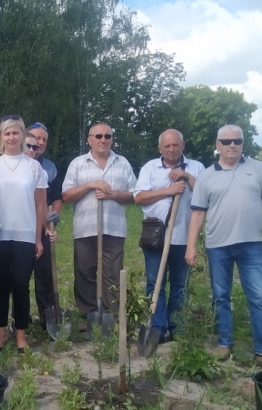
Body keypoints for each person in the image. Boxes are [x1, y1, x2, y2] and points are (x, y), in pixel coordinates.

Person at [185, 125, 262, 369]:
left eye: (237, 141)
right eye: (227, 141)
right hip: (218, 245)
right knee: (220, 296)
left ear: (242, 143)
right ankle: (224, 343)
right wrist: (190, 247)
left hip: (251, 245)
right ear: (217, 144)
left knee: (259, 297)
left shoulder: (257, 169)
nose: (232, 145)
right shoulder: (207, 176)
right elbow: (198, 214)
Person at [134, 129, 204, 346]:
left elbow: (205, 194)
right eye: (167, 146)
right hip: (155, 237)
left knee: (179, 285)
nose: (172, 149)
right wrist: (169, 190)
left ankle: (178, 328)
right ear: (160, 149)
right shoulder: (150, 168)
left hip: (184, 236)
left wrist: (186, 177)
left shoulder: (196, 167)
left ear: (183, 145)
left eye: (176, 145)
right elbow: (139, 197)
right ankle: (157, 327)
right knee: (155, 283)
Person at [61, 123, 136, 322]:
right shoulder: (78, 163)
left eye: (107, 136)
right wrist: (89, 185)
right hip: (85, 229)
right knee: (84, 271)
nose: (103, 140)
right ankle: (89, 314)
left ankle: (111, 316)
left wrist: (112, 194)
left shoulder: (123, 163)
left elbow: (134, 195)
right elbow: (67, 195)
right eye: (98, 136)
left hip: (114, 228)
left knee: (112, 273)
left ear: (112, 139)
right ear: (89, 140)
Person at [0, 116, 48, 354]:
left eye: (15, 133)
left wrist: (38, 237)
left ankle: (21, 335)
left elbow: (41, 205)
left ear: (23, 136)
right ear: (1, 137)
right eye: (6, 133)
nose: (11, 137)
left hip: (25, 235)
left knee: (21, 285)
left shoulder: (33, 166)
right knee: (1, 286)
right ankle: (0, 335)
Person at [26, 123, 63, 333]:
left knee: (45, 273)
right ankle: (13, 318)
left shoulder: (49, 167)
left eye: (44, 140)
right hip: (19, 226)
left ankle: (47, 315)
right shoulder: (16, 162)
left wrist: (54, 213)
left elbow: (56, 197)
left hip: (43, 227)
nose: (39, 143)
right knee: (17, 275)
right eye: (36, 139)